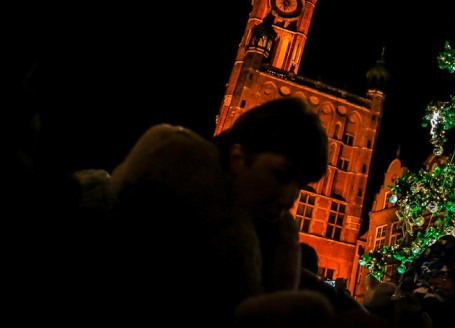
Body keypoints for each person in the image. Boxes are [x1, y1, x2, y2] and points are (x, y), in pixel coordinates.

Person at [99, 97, 330, 327]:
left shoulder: (271, 236)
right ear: (238, 157)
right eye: (281, 175)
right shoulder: (164, 210)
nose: (289, 200)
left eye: (299, 186)